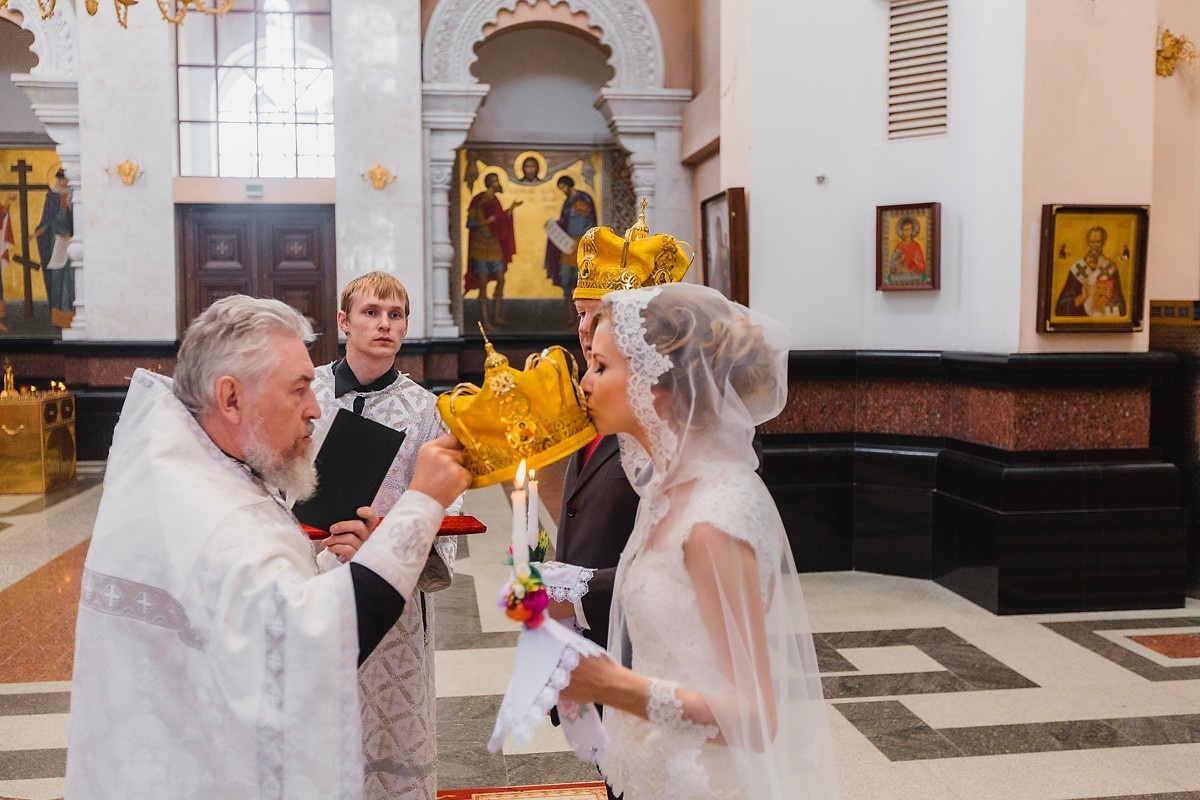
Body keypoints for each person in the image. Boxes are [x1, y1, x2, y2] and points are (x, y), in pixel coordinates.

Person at [65, 295, 472, 799]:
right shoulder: (209, 510)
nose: (316, 408)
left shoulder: (188, 468)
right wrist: (422, 502)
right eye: (298, 390)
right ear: (231, 399)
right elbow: (312, 649)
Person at [560, 283, 840, 800]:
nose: (585, 383)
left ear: (657, 384)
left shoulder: (715, 515)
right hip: (651, 775)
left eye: (601, 367)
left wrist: (610, 685)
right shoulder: (666, 491)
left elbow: (754, 715)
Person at [311, 271, 462, 800]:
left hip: (392, 595)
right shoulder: (305, 391)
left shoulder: (426, 410)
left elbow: (445, 510)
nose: (384, 324)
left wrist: (384, 538)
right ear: (343, 321)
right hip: (306, 582)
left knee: (388, 735)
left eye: (395, 315)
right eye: (371, 312)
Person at [466, 171, 521, 329]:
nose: (498, 184)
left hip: (494, 245)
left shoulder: (496, 201)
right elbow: (470, 223)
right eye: (495, 181)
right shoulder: (478, 200)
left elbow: (500, 220)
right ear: (490, 183)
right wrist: (485, 221)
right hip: (480, 246)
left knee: (501, 279)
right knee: (483, 283)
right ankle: (485, 322)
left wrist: (510, 210)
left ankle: (496, 316)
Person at [544, 176, 597, 322]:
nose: (562, 190)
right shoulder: (568, 202)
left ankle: (583, 318)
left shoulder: (583, 199)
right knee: (565, 281)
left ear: (568, 185)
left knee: (581, 282)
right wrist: (553, 225)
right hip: (568, 246)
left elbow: (590, 219)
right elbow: (564, 222)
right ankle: (571, 316)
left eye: (562, 187)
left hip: (581, 245)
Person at [1055, 225, 1127, 317]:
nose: (1095, 246)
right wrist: (1081, 299)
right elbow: (1061, 306)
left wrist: (1104, 306)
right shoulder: (1077, 269)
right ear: (1088, 243)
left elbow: (1120, 305)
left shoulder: (1110, 268)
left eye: (1098, 242)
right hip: (1081, 320)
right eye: (1092, 242)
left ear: (1103, 243)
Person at [35, 169, 74, 329]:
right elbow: (47, 220)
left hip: (71, 245)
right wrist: (40, 231)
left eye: (66, 180)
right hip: (55, 245)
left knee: (69, 280)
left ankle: (70, 316)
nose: (63, 183)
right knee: (56, 280)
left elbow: (78, 222)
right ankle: (58, 318)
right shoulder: (51, 197)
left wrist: (71, 234)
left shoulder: (75, 197)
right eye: (61, 179)